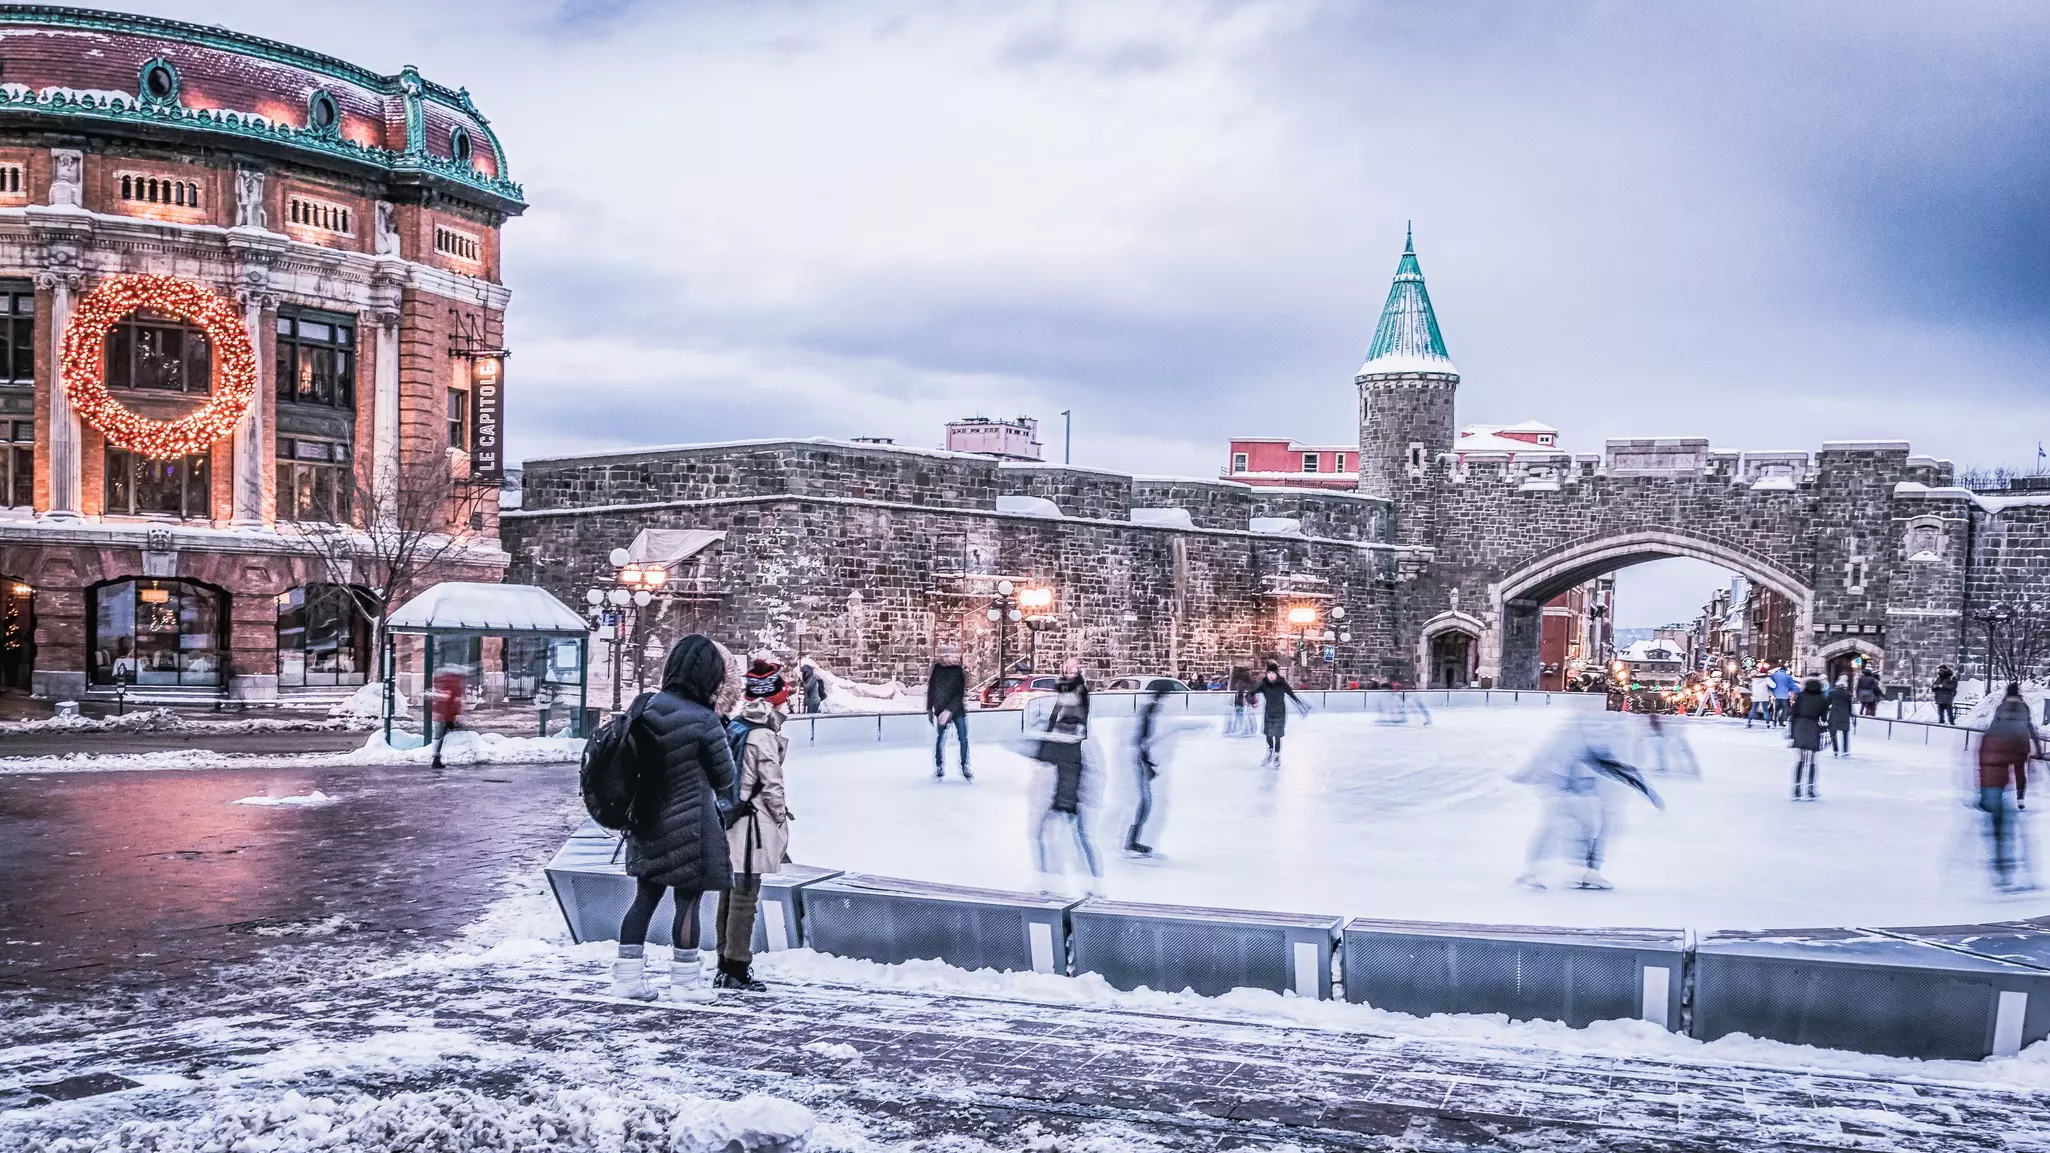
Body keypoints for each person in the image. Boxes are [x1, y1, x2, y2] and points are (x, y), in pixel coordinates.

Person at [609, 634, 737, 1003]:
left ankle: (627, 979)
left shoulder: (643, 705)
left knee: (643, 901)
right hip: (691, 827)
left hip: (646, 820)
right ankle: (684, 984)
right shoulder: (705, 720)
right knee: (687, 905)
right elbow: (724, 779)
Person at [1513, 710, 1662, 891]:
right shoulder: (1580, 743)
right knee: (1574, 831)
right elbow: (1613, 768)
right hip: (1569, 796)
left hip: (1572, 795)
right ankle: (1575, 874)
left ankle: (1582, 874)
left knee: (1576, 831)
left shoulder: (1581, 743)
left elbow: (1614, 768)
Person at [716, 659, 793, 992]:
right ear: (775, 698)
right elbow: (773, 786)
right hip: (752, 827)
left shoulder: (738, 725)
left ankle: (725, 963)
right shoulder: (762, 734)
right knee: (745, 895)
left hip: (731, 819)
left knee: (729, 892)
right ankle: (737, 967)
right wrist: (779, 819)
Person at [1030, 659, 1099, 892]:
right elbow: (1054, 724)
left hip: (1067, 772)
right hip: (1057, 772)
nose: (1070, 673)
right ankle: (1053, 882)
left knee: (1075, 836)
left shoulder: (1078, 695)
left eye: (1074, 670)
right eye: (1067, 669)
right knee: (1051, 834)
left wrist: (1066, 799)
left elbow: (1073, 730)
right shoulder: (1062, 694)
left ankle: (1090, 884)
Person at [1979, 684, 2044, 890]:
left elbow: (1992, 729)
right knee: (2019, 770)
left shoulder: (2001, 709)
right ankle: (2020, 796)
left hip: (1997, 760)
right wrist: (2037, 748)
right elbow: (2030, 727)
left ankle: (2002, 868)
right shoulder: (2024, 707)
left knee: (2000, 824)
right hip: (2020, 743)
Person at [1126, 682, 1171, 857]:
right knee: (1145, 803)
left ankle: (1132, 840)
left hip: (1141, 760)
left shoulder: (1148, 711)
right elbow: (1141, 741)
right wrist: (1147, 764)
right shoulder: (1149, 712)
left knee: (1145, 803)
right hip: (1140, 761)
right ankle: (1131, 841)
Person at [1249, 660, 1307, 766]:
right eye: (1269, 673)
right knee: (1268, 735)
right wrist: (1251, 700)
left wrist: (1301, 705)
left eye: (1273, 673)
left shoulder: (1282, 683)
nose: (1270, 676)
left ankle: (1276, 755)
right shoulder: (1264, 684)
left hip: (1280, 713)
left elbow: (1291, 694)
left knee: (1277, 735)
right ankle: (1270, 751)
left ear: (1276, 673)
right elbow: (1251, 693)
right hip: (1269, 713)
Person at [926, 643, 970, 781]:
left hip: (956, 710)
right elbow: (932, 689)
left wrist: (949, 711)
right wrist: (930, 708)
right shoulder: (937, 670)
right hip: (940, 709)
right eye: (947, 655)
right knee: (940, 738)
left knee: (963, 738)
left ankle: (965, 766)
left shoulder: (958, 672)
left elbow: (959, 695)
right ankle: (939, 766)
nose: (951, 658)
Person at [1788, 676, 1827, 800]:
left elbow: (1793, 713)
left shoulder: (1801, 697)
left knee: (1800, 759)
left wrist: (1792, 733)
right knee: (1812, 760)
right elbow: (1824, 717)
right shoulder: (1821, 698)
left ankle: (1797, 788)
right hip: (1813, 727)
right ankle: (1810, 788)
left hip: (1800, 726)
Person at [429, 665, 465, 769]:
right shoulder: (453, 684)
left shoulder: (441, 683)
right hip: (446, 716)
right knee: (440, 738)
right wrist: (454, 715)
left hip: (439, 715)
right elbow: (453, 702)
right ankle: (436, 760)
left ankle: (436, 759)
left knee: (439, 738)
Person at [1825, 674, 1853, 757]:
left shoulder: (1832, 693)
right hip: (1845, 714)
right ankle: (1845, 750)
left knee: (1833, 732)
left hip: (1834, 714)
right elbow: (1850, 705)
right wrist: (1850, 714)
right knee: (1845, 733)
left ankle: (1835, 749)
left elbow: (1827, 702)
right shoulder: (1848, 693)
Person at [1226, 665, 1255, 737]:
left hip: (1240, 700)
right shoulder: (1245, 678)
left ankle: (1244, 730)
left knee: (1240, 715)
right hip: (1242, 700)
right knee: (1244, 715)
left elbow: (1239, 691)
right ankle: (1247, 730)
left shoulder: (1238, 679)